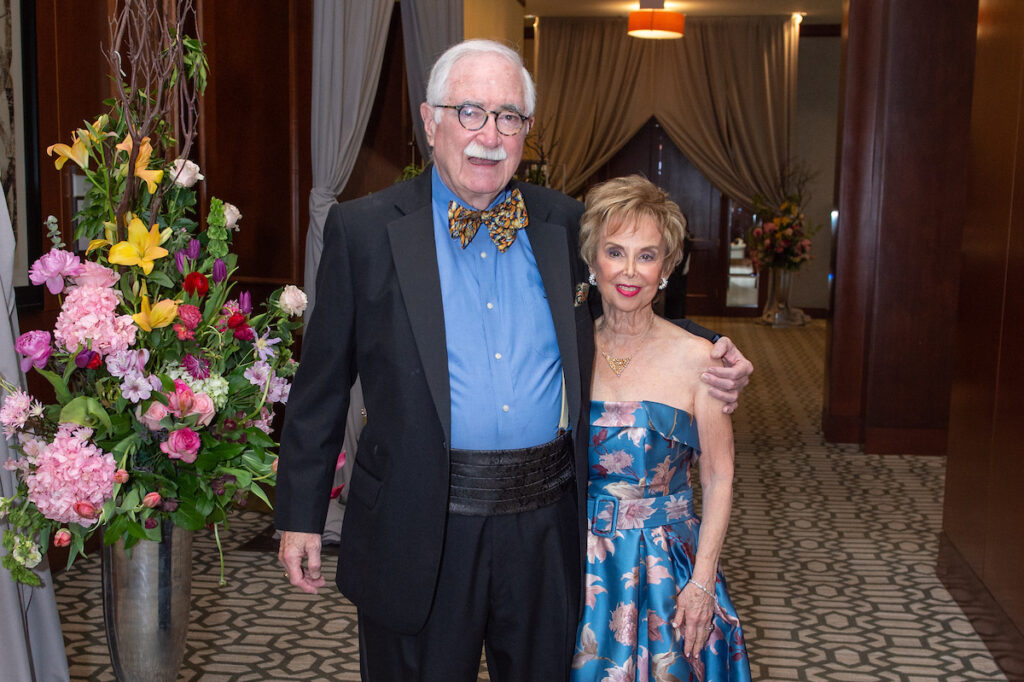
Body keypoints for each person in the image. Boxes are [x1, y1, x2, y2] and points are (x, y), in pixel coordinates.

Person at [274, 39, 753, 681]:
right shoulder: (364, 232)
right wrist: (300, 515)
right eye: (469, 111)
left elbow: (627, 300)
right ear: (430, 119)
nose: (489, 136)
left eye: (509, 117)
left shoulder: (562, 222)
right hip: (419, 523)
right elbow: (321, 383)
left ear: (526, 130)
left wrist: (711, 353)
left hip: (546, 526)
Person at [571, 176, 751, 681]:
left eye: (647, 256)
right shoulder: (567, 351)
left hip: (666, 571)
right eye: (615, 252)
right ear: (592, 262)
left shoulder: (701, 359)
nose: (629, 271)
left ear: (666, 269)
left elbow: (719, 477)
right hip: (576, 567)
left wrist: (703, 582)